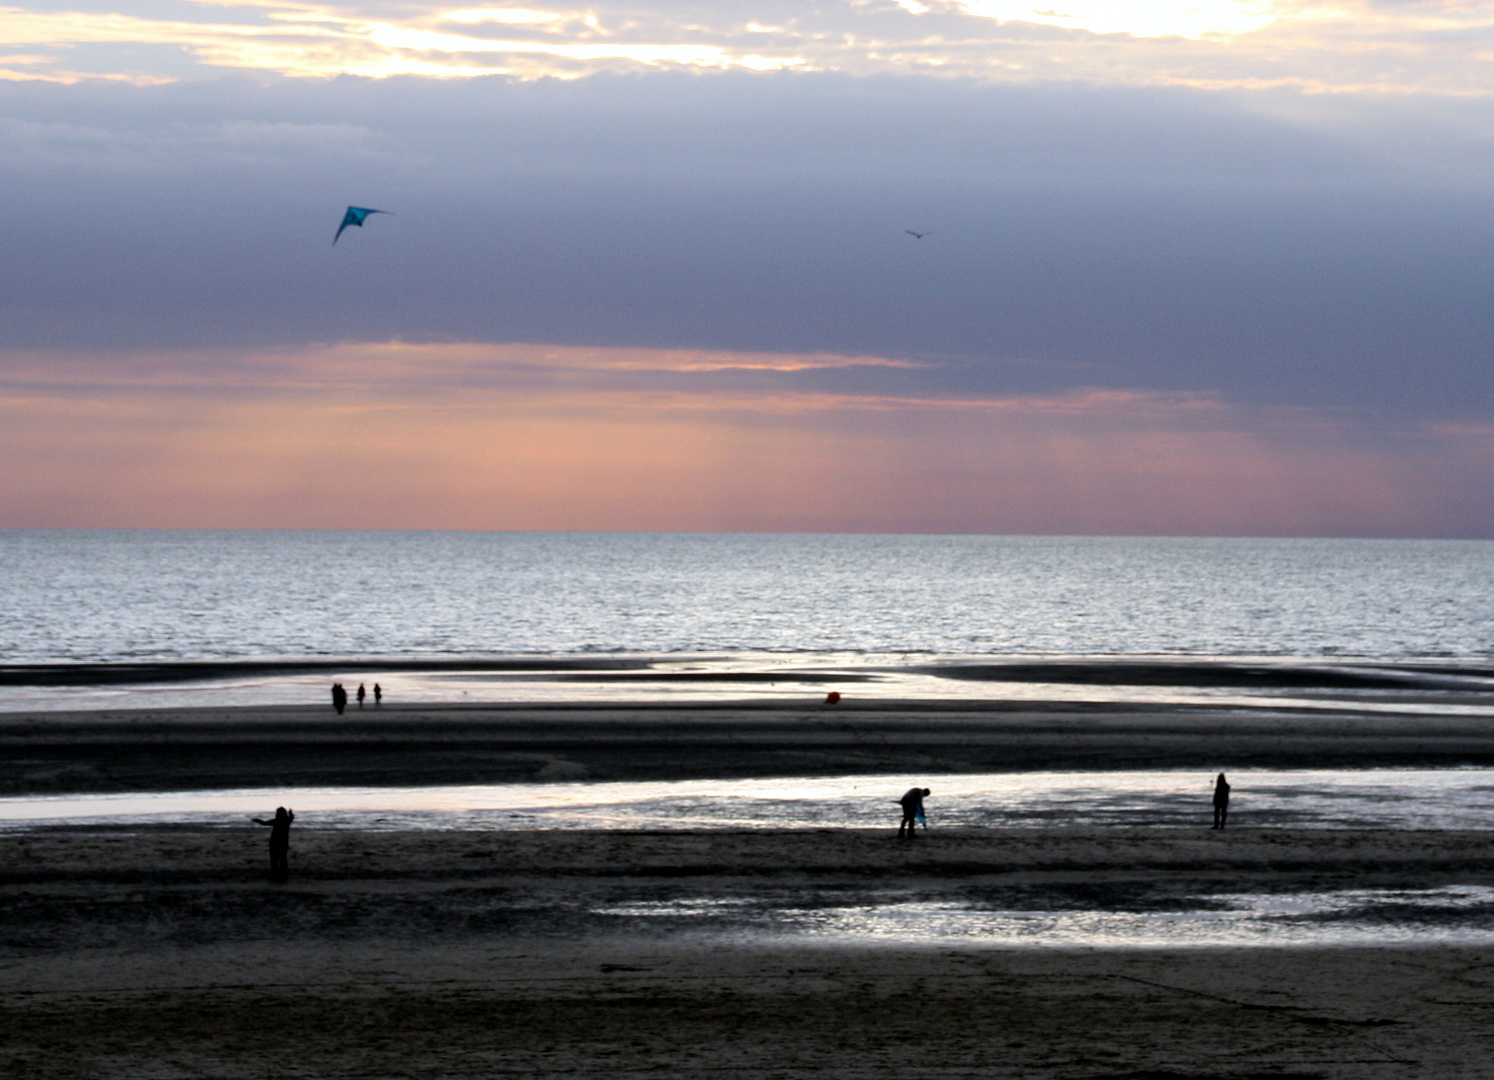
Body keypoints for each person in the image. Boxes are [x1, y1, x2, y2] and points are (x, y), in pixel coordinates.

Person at [252, 806, 295, 883]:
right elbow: (292, 817)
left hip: (274, 842)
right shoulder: (287, 821)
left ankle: (275, 874)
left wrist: (257, 820)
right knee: (282, 859)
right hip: (283, 842)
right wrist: (290, 813)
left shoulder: (276, 821)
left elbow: (264, 823)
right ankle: (283, 874)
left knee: (274, 859)